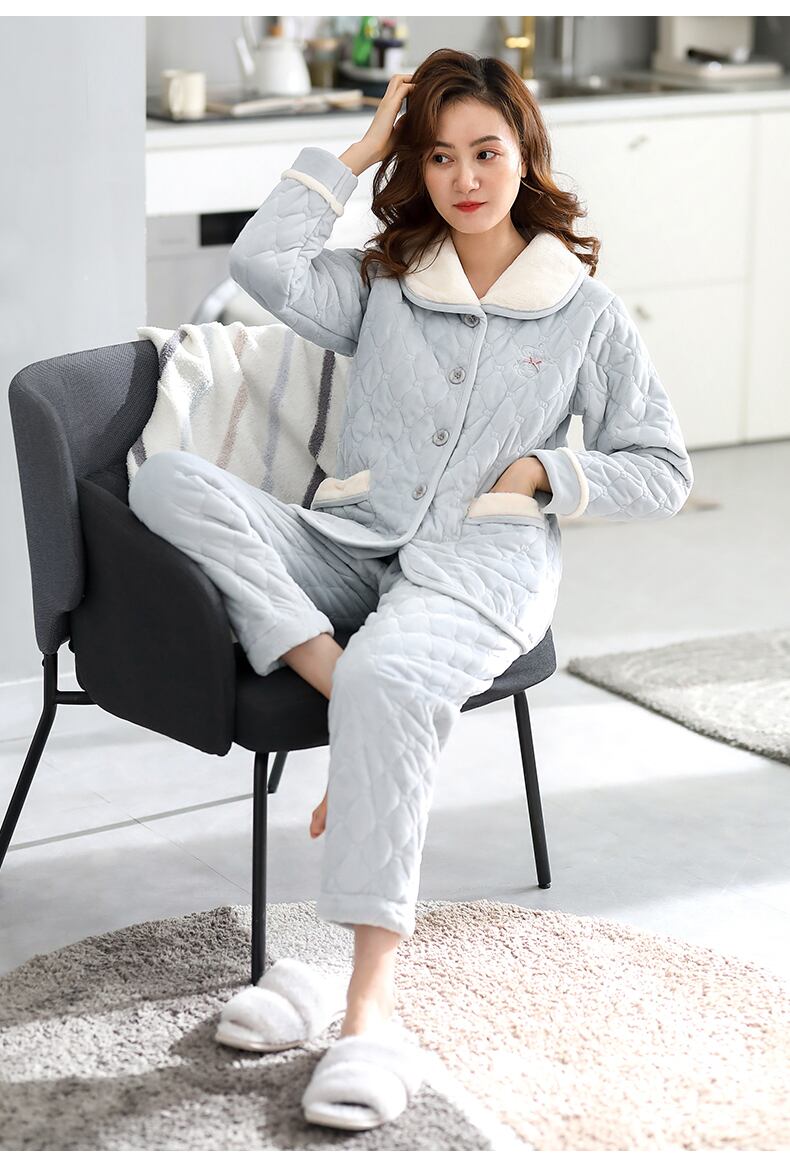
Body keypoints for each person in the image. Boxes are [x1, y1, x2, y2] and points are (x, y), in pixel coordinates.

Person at [128, 48, 693, 1128]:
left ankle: (368, 1008)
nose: (464, 178)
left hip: (480, 566)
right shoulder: (387, 279)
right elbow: (262, 262)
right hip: (353, 537)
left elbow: (662, 469)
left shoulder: (586, 314)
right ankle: (336, 676)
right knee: (167, 484)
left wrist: (543, 473)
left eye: (485, 151)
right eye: (436, 156)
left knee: (394, 679)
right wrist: (359, 150)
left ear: (526, 153)